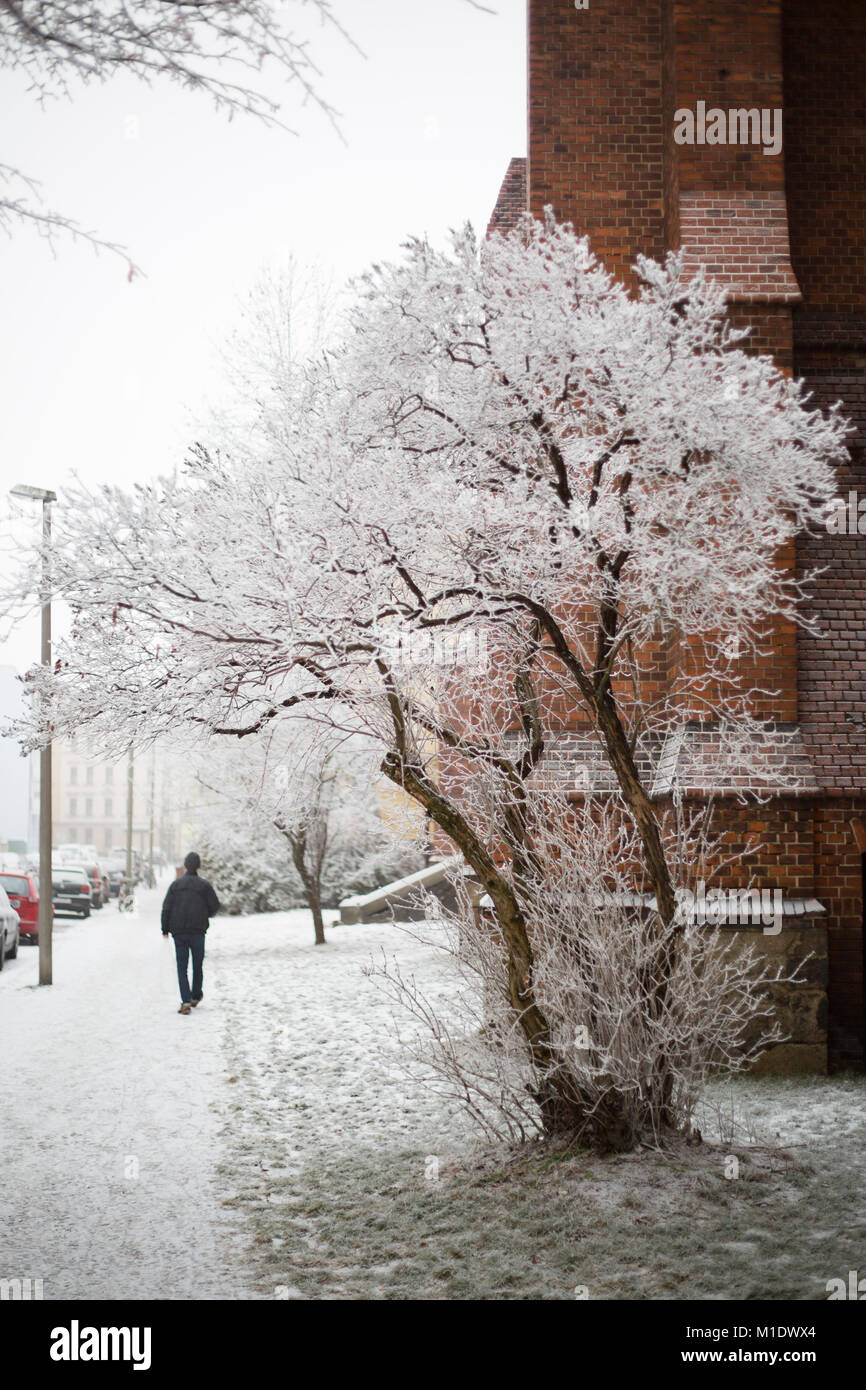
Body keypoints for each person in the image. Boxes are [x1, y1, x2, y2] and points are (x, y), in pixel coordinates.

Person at [161, 851, 220, 1015]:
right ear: (198, 867)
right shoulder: (204, 886)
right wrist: (204, 914)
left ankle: (185, 1002)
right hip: (198, 931)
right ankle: (195, 996)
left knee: (182, 967)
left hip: (178, 932)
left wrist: (165, 929)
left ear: (185, 866)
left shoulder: (175, 886)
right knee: (197, 965)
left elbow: (166, 908)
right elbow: (214, 906)